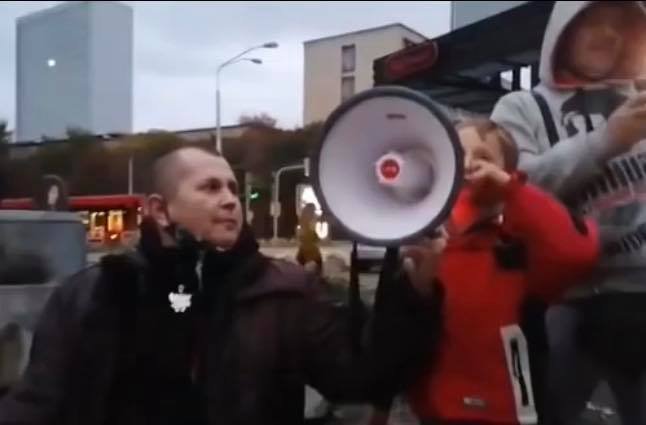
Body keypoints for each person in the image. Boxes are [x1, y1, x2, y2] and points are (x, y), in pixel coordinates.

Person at [0, 146, 444, 425]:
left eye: (232, 188)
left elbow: (360, 377)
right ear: (159, 209)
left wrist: (412, 293)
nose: (231, 199)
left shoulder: (286, 291)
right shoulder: (92, 294)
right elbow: (39, 405)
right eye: (210, 188)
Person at [373, 119, 600, 425]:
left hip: (508, 415)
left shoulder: (517, 247)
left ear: (506, 171)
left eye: (483, 158)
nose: (467, 166)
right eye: (456, 155)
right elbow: (388, 339)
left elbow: (577, 252)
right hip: (429, 413)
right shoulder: (417, 249)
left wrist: (511, 191)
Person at [491, 2, 646, 423]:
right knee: (546, 414)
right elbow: (513, 190)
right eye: (594, 20)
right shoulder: (520, 108)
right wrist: (606, 140)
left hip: (642, 293)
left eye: (621, 25)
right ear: (563, 30)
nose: (608, 34)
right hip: (565, 301)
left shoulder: (639, 95)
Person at [296, 203, 323, 274]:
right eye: (313, 210)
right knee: (318, 268)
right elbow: (311, 234)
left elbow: (301, 236)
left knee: (300, 269)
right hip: (312, 251)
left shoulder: (303, 219)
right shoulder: (311, 219)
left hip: (304, 249)